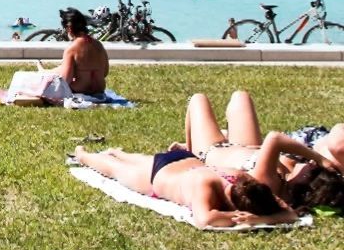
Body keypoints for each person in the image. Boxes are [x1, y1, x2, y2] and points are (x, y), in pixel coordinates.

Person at [183, 91, 344, 210]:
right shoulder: (288, 178)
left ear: (303, 183)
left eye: (312, 169)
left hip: (211, 150)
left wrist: (319, 158)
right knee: (241, 97)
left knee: (198, 100)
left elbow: (274, 138)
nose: (310, 163)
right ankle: (217, 137)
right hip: (248, 147)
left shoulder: (268, 183)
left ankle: (189, 153)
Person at [73, 144, 298, 228]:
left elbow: (290, 214)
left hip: (181, 160)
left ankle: (119, 151)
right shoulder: (205, 186)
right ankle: (81, 153)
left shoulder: (243, 179)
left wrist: (261, 219)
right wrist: (240, 218)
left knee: (138, 159)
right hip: (159, 175)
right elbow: (205, 220)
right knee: (112, 169)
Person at [52, 7, 109, 95]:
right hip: (99, 90)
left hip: (80, 91)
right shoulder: (99, 45)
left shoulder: (72, 49)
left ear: (69, 29)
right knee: (59, 69)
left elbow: (66, 80)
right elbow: (105, 72)